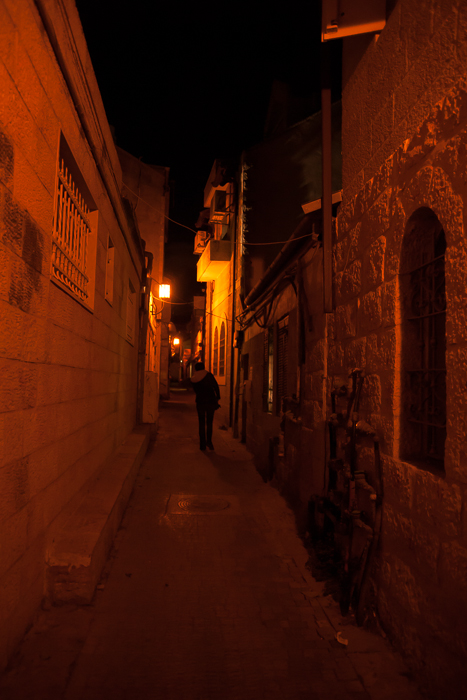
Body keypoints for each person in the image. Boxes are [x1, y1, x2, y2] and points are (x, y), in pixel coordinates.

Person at [191, 361, 220, 450]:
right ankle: (209, 442)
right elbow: (216, 386)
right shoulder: (209, 375)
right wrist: (218, 397)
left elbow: (195, 390)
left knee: (201, 423)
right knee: (209, 422)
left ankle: (202, 444)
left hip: (200, 402)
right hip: (210, 401)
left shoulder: (194, 378)